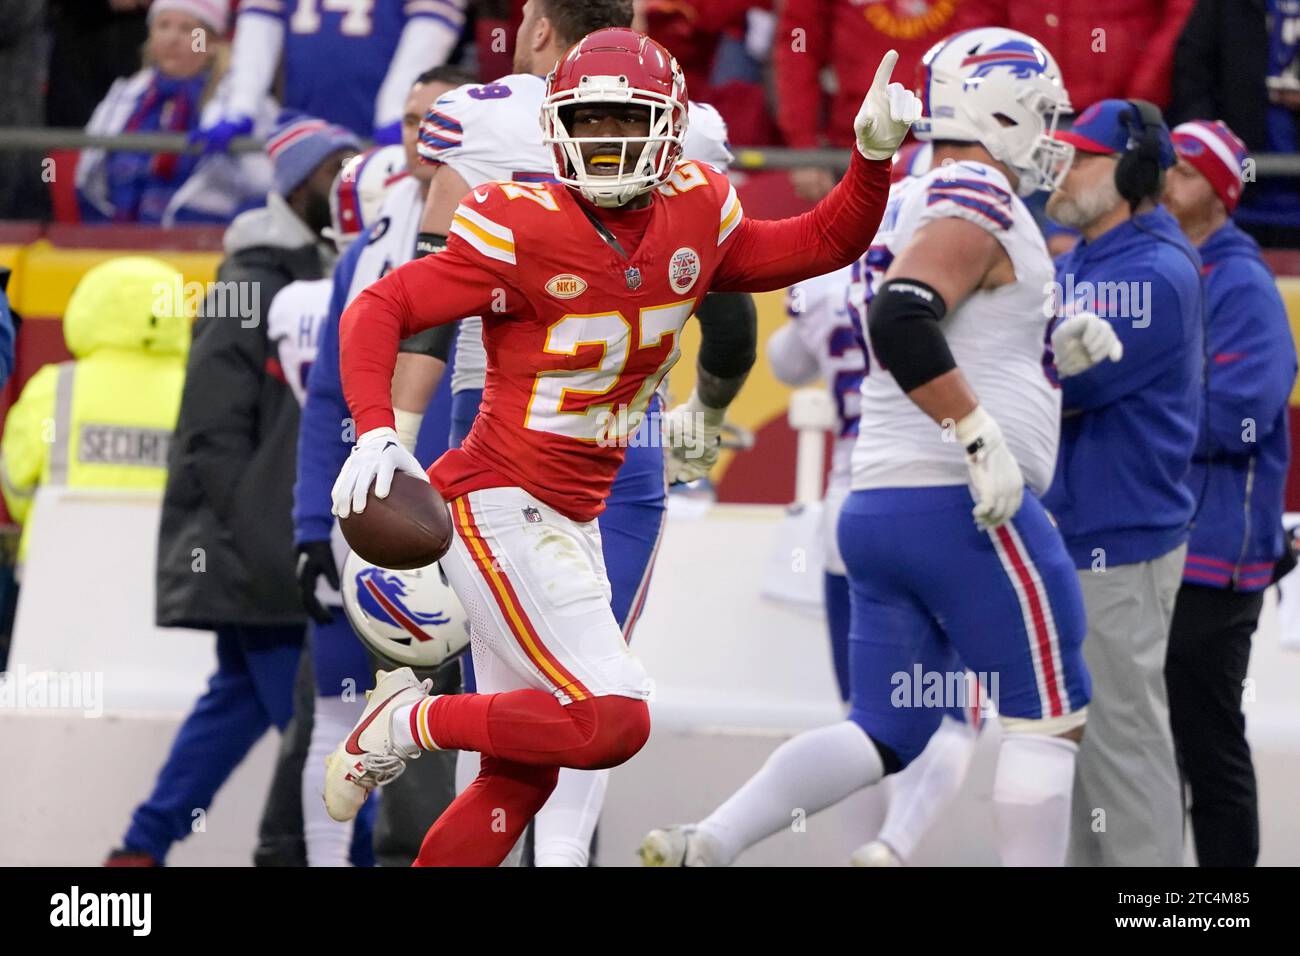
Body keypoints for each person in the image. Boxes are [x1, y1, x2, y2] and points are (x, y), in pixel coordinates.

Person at [320, 27, 916, 867]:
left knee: (518, 777)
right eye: (587, 121)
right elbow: (382, 307)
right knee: (614, 717)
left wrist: (869, 160)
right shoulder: (517, 221)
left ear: (667, 126)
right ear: (557, 124)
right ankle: (411, 719)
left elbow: (820, 243)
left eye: (621, 121)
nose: (602, 140)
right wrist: (378, 429)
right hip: (497, 502)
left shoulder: (698, 209)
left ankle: (418, 730)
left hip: (570, 513)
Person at [643, 27, 1108, 869]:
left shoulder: (905, 196)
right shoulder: (978, 189)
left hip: (875, 507)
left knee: (885, 728)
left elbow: (946, 311)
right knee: (1051, 715)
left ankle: (713, 839)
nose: (1051, 136)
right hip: (960, 500)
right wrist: (977, 432)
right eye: (1042, 114)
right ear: (996, 108)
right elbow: (905, 311)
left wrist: (1047, 344)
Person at [392, 0, 753, 867]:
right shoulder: (688, 128)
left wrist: (393, 448)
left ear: (538, 28)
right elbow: (732, 312)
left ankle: (420, 731)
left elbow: (426, 309)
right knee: (599, 676)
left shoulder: (477, 121)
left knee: (516, 697)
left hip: (494, 424)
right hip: (626, 428)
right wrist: (708, 409)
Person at [107, 116, 359, 867]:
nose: (348, 186)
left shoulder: (316, 271)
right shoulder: (248, 280)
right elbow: (209, 430)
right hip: (266, 551)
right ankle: (351, 854)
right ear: (296, 183)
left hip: (270, 547)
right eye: (334, 171)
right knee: (323, 735)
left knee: (236, 704)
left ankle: (140, 850)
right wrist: (266, 533)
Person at [286, 65, 476, 867]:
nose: (418, 135)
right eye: (407, 120)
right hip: (370, 514)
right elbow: (330, 391)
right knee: (339, 712)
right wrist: (308, 522)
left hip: (474, 510)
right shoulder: (364, 247)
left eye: (437, 120)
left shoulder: (507, 224)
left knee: (486, 714)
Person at [1044, 99, 1204, 867]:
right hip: (1080, 536)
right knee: (1083, 752)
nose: (1063, 169)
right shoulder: (1083, 259)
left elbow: (1060, 389)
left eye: (1082, 157)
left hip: (1118, 541)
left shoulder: (1154, 272)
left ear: (1134, 172)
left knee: (1123, 749)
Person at [1162, 119, 1296, 867]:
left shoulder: (1240, 280)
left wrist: (1142, 411)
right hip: (1166, 544)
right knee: (1161, 752)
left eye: (1183, 172)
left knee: (1208, 749)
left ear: (1218, 194)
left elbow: (1247, 414)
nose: (1164, 181)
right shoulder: (1172, 268)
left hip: (1217, 553)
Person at [1, 257, 188, 566]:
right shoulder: (198, 392)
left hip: (57, 573)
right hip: (169, 580)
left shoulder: (55, 388)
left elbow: (16, 484)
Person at [76, 0, 278, 226]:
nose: (172, 39)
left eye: (188, 29)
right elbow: (89, 178)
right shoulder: (123, 95)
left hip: (204, 244)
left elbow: (267, 185)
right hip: (121, 241)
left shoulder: (243, 105)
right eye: (163, 26)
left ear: (211, 43)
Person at [196, 0, 468, 148]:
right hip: (301, 123)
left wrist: (397, 111)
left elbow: (428, 37)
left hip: (375, 130)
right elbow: (258, 30)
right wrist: (241, 106)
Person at [775, 0, 963, 202]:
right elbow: (800, 50)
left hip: (954, 143)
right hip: (859, 148)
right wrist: (804, 146)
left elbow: (994, 33)